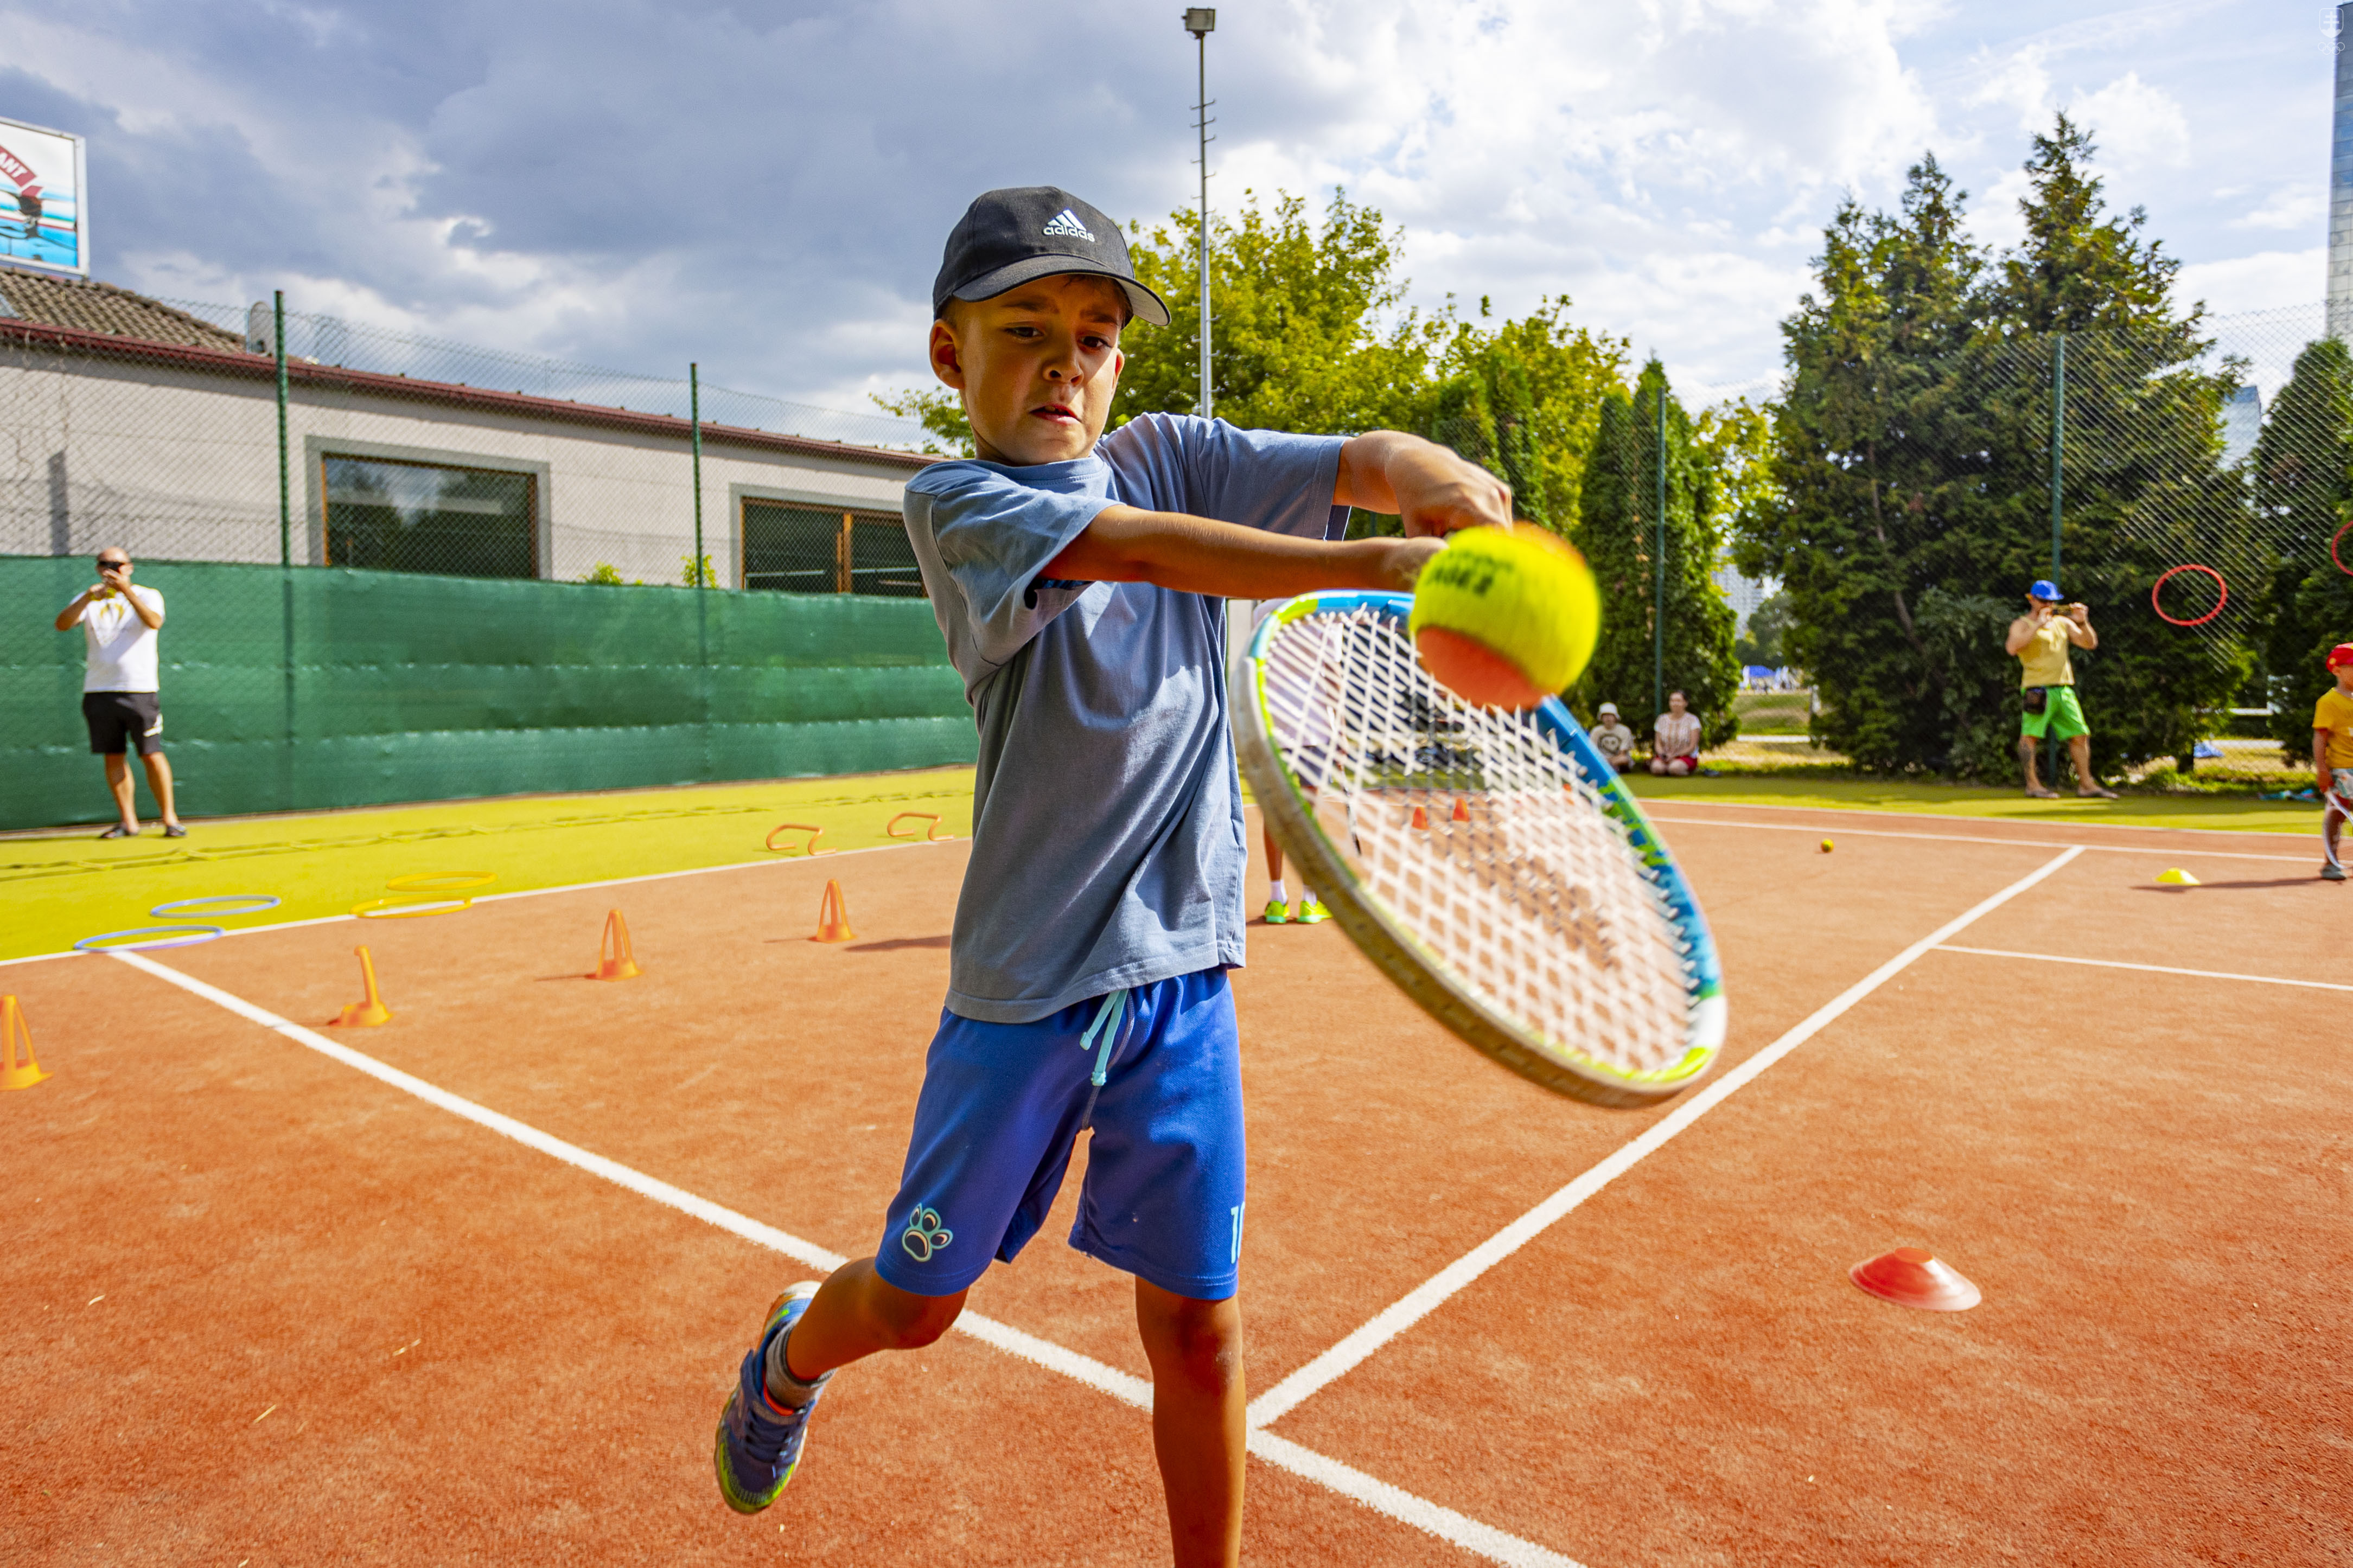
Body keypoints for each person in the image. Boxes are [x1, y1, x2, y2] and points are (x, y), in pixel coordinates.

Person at [710, 186, 1508, 1566]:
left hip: (1184, 980)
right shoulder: (957, 501)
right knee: (918, 1308)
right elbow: (1127, 549)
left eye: (1092, 334)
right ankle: (789, 1357)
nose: (1063, 361)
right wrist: (1367, 562)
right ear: (950, 356)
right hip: (1025, 991)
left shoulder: (1176, 453)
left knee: (1199, 1326)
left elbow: (1360, 453)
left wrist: (1435, 486)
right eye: (1024, 329)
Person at [52, 548, 184, 839]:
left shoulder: (148, 595)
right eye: (105, 564)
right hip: (99, 691)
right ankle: (128, 822)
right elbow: (62, 625)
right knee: (113, 756)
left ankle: (170, 820)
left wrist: (127, 592)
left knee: (151, 755)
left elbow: (154, 622)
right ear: (98, 568)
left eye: (117, 564)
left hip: (139, 689)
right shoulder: (90, 598)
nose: (111, 569)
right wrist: (89, 597)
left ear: (130, 567)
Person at [2004, 579, 2118, 799]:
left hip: (2064, 689)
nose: (2049, 605)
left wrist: (2083, 622)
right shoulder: (2022, 624)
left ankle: (2086, 785)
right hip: (2037, 689)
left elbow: (2089, 643)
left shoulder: (2062, 623)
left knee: (2080, 735)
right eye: (2044, 601)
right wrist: (2038, 624)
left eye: (2052, 601)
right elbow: (2012, 648)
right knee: (2030, 737)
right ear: (2032, 599)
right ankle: (2033, 786)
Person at [2314, 642, 2353, 882]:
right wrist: (2322, 770)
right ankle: (2331, 863)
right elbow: (2320, 737)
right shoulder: (2329, 701)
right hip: (2342, 770)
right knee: (2337, 815)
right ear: (2337, 669)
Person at [1649, 690, 1701, 776]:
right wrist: (1663, 755)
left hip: (1685, 756)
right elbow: (1658, 744)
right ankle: (1667, 768)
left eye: (1678, 701)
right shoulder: (1661, 719)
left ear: (1686, 703)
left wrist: (1674, 756)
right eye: (1672, 701)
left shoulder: (1693, 720)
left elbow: (1692, 746)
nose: (1675, 704)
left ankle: (1682, 770)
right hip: (1664, 756)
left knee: (1675, 769)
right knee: (1657, 769)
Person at [1590, 701, 1637, 771]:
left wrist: (1609, 761)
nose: (1608, 718)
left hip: (1619, 760)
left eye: (1610, 715)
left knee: (1624, 759)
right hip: (1601, 759)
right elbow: (1593, 750)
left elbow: (1622, 753)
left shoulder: (1625, 731)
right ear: (1601, 718)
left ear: (1615, 717)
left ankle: (1609, 768)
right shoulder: (1596, 731)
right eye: (1605, 715)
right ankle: (1609, 768)